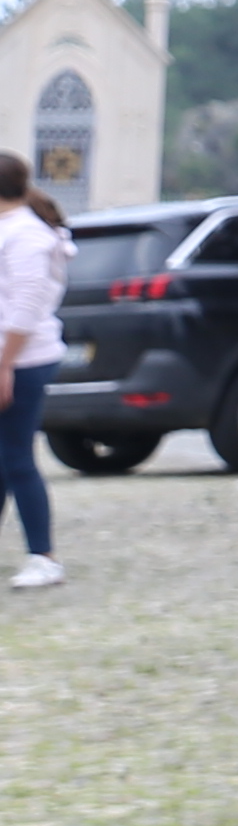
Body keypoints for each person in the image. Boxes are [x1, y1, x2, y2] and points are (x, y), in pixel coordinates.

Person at [0, 152, 68, 594]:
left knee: (17, 458)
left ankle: (43, 556)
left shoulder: (25, 235)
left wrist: (5, 365)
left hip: (20, 360)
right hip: (12, 358)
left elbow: (23, 308)